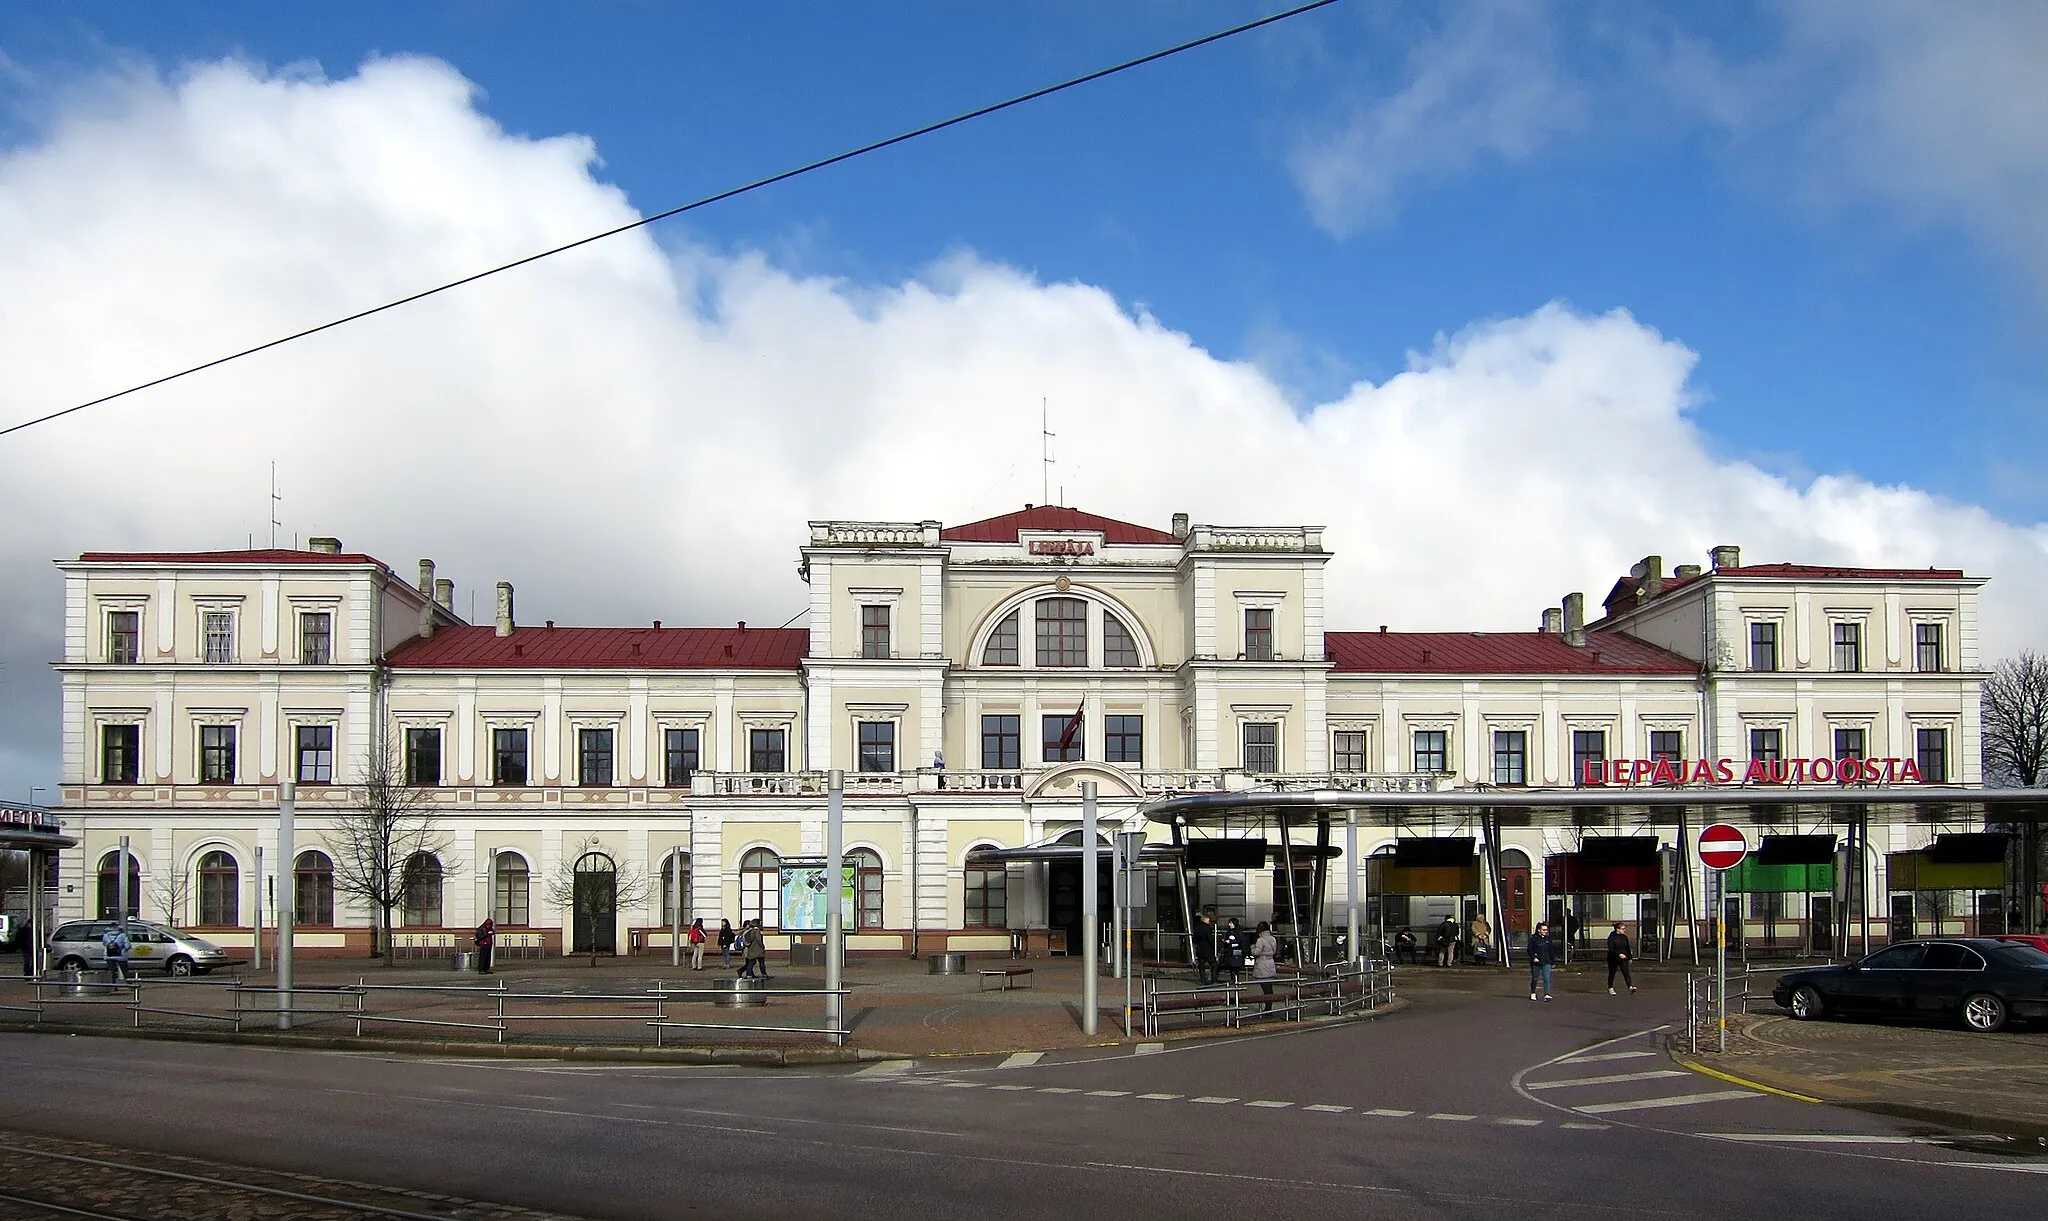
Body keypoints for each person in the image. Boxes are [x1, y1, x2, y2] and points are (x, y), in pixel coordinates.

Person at [1250, 921, 1279, 1010]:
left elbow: (1256, 952)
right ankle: (1269, 1007)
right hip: (1270, 962)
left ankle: (1268, 1008)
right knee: (1269, 987)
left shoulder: (1260, 940)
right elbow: (1274, 951)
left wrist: (1252, 948)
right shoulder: (1272, 939)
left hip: (1262, 963)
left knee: (1265, 987)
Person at [1528, 920, 1556, 1001]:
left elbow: (1551, 950)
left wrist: (1552, 961)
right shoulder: (1533, 939)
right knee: (1535, 978)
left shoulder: (1548, 939)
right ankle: (1533, 992)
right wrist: (1534, 957)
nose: (1545, 932)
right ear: (1539, 930)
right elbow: (1530, 949)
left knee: (1547, 978)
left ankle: (1547, 994)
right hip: (1536, 962)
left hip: (1546, 961)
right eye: (1543, 930)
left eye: (1546, 930)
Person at [1606, 922, 1637, 995]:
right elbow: (1611, 948)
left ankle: (1630, 986)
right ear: (1618, 929)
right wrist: (1618, 954)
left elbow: (1627, 947)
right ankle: (1610, 988)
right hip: (1613, 958)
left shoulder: (1624, 937)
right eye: (1622, 929)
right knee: (1612, 973)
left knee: (1626, 972)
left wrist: (1630, 957)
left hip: (1624, 958)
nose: (1624, 930)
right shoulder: (1611, 938)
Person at [1191, 909, 1219, 985]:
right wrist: (1213, 946)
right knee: (1213, 964)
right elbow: (1210, 939)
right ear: (1206, 920)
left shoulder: (1196, 928)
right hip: (1208, 950)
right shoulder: (1207, 928)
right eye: (1208, 920)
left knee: (1201, 966)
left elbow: (1194, 939)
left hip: (1200, 950)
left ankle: (1203, 981)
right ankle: (1214, 980)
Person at [1218, 918, 1247, 985]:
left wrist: (1231, 941)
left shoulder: (1238, 931)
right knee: (1231, 965)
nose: (1229, 924)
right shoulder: (1228, 931)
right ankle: (1233, 978)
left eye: (1231, 923)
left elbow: (1240, 940)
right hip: (1229, 950)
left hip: (1236, 950)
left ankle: (1235, 979)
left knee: (1235, 965)